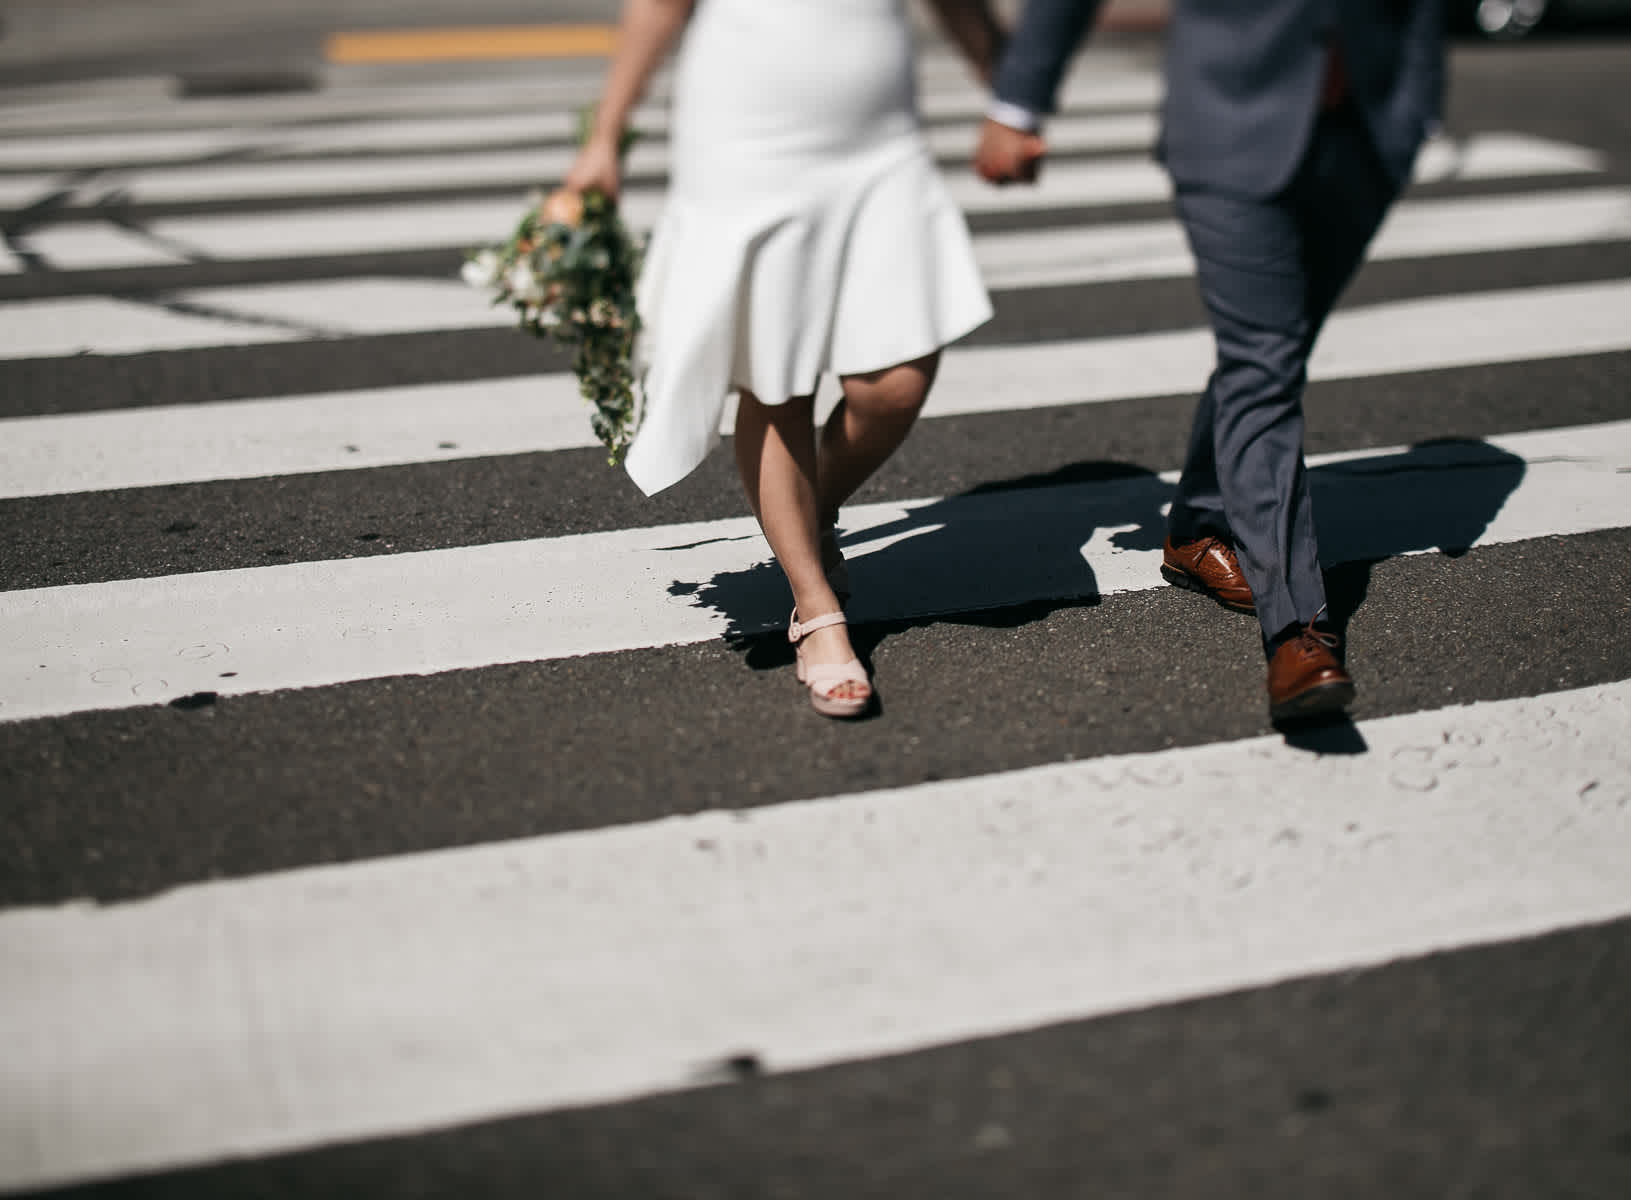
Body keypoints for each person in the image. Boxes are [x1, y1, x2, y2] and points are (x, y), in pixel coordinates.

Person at [974, 0, 1445, 723]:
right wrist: (1019, 101)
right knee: (1265, 365)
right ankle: (1297, 631)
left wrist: (1410, 116)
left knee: (1272, 352)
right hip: (1230, 125)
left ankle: (1197, 525)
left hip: (1365, 135)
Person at [561, 0, 1003, 718]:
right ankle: (814, 604)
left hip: (881, 144)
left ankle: (808, 508)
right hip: (748, 139)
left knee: (894, 385)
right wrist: (605, 135)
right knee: (774, 377)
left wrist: (1010, 89)